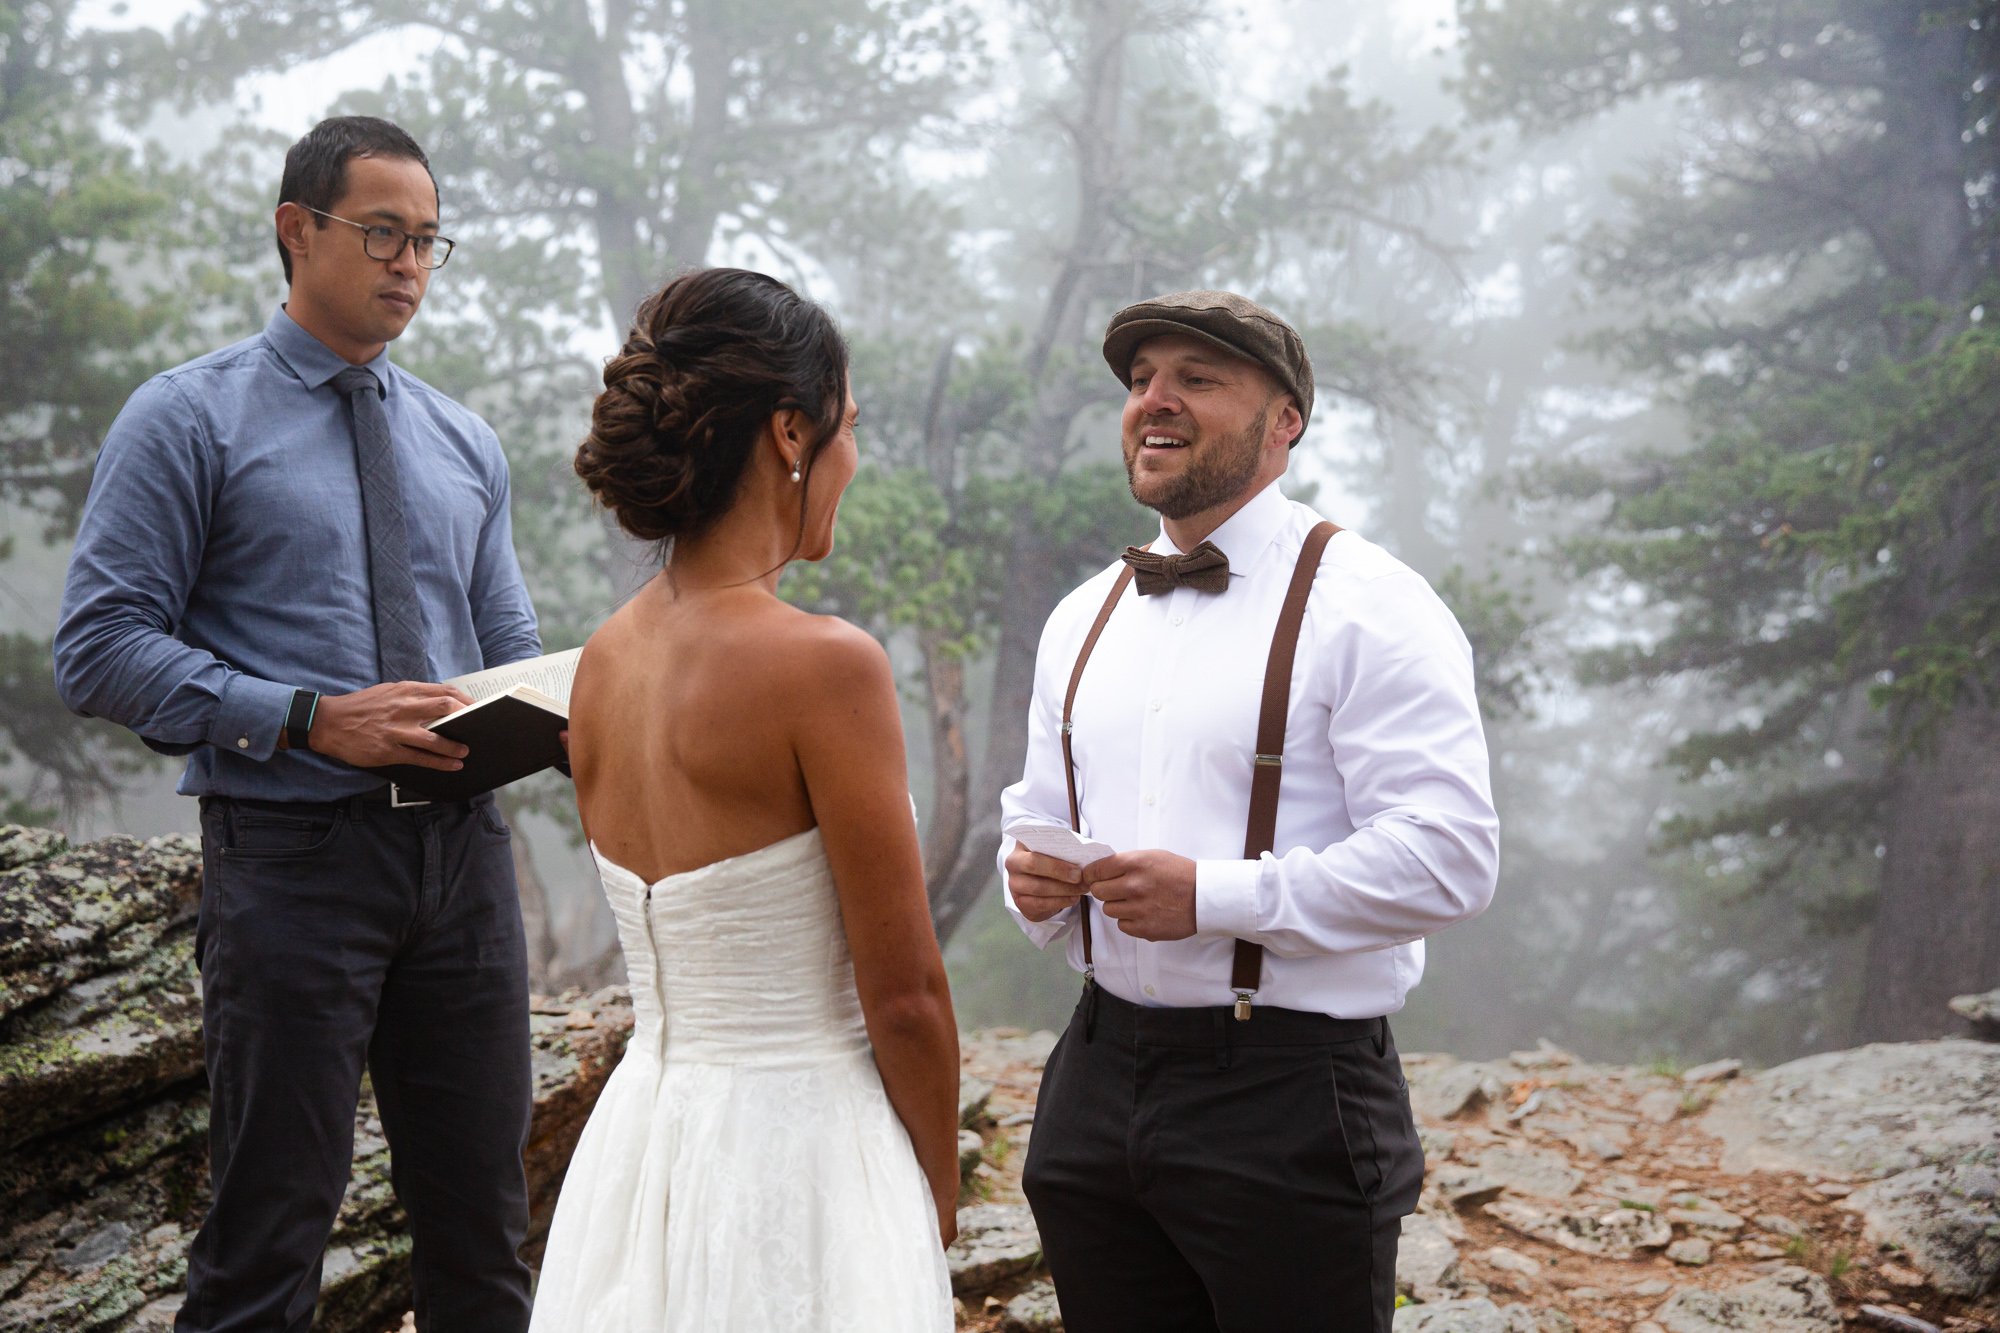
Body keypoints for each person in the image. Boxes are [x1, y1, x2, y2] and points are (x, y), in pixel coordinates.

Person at [53, 116, 542, 1332]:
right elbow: (100, 648)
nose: (410, 264)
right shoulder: (186, 419)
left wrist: (571, 713)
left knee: (485, 1232)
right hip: (289, 861)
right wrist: (312, 719)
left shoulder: (463, 442)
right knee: (272, 1228)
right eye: (383, 232)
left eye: (429, 241)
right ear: (296, 230)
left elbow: (515, 652)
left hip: (464, 862)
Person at [1000, 290, 1500, 1332]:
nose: (1155, 401)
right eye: (1139, 381)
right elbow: (1035, 821)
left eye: (1197, 378)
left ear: (1284, 422)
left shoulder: (1370, 602)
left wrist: (1216, 896)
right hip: (1094, 1079)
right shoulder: (1080, 617)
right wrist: (1033, 883)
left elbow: (1450, 857)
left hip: (1287, 1094)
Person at [529, 267, 959, 1331]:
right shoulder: (824, 667)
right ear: (788, 434)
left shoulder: (602, 661)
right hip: (801, 1151)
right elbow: (903, 993)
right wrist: (933, 1195)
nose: (851, 458)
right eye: (846, 426)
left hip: (641, 1148)